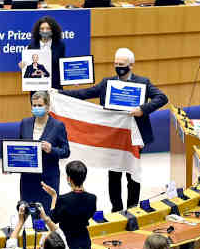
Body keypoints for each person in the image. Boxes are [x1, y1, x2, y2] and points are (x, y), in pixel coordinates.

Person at [61, 48, 168, 212]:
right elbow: (84, 93)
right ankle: (116, 209)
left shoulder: (143, 82)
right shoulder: (107, 83)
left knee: (132, 174)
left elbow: (162, 97)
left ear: (131, 65)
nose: (118, 67)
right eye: (116, 64)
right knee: (114, 174)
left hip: (134, 136)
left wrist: (143, 109)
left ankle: (133, 209)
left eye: (122, 64)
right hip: (113, 136)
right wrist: (59, 94)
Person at [13, 91, 69, 211]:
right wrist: (11, 166)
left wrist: (51, 149)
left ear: (48, 107)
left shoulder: (58, 125)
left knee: (48, 216)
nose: (36, 108)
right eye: (34, 106)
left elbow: (66, 151)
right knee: (27, 214)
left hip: (48, 180)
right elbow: (19, 148)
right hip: (27, 180)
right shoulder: (25, 123)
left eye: (40, 105)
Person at [43, 161, 97, 249]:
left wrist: (54, 197)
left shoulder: (63, 200)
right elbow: (89, 213)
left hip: (68, 246)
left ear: (69, 179)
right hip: (85, 245)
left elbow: (53, 219)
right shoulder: (92, 198)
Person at [20, 16, 66, 91]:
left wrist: (72, 79)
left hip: (55, 87)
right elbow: (27, 70)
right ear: (38, 31)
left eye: (48, 28)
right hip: (36, 88)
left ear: (53, 30)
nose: (45, 31)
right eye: (42, 29)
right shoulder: (32, 46)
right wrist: (23, 65)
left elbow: (62, 66)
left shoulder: (60, 46)